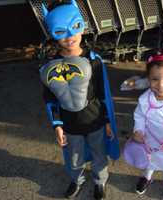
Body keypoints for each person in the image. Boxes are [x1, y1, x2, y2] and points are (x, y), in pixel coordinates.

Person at [39, 1, 119, 200]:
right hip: (70, 123)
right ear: (52, 33)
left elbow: (103, 93)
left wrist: (108, 120)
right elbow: (50, 97)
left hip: (95, 120)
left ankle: (100, 181)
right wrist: (57, 124)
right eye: (60, 32)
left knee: (99, 154)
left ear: (81, 26)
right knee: (74, 157)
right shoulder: (52, 66)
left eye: (74, 28)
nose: (69, 37)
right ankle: (77, 180)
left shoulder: (94, 60)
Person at [132, 54, 163, 200]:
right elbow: (139, 116)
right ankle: (147, 177)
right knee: (150, 159)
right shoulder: (144, 100)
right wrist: (138, 130)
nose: (161, 84)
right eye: (155, 79)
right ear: (148, 80)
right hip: (150, 138)